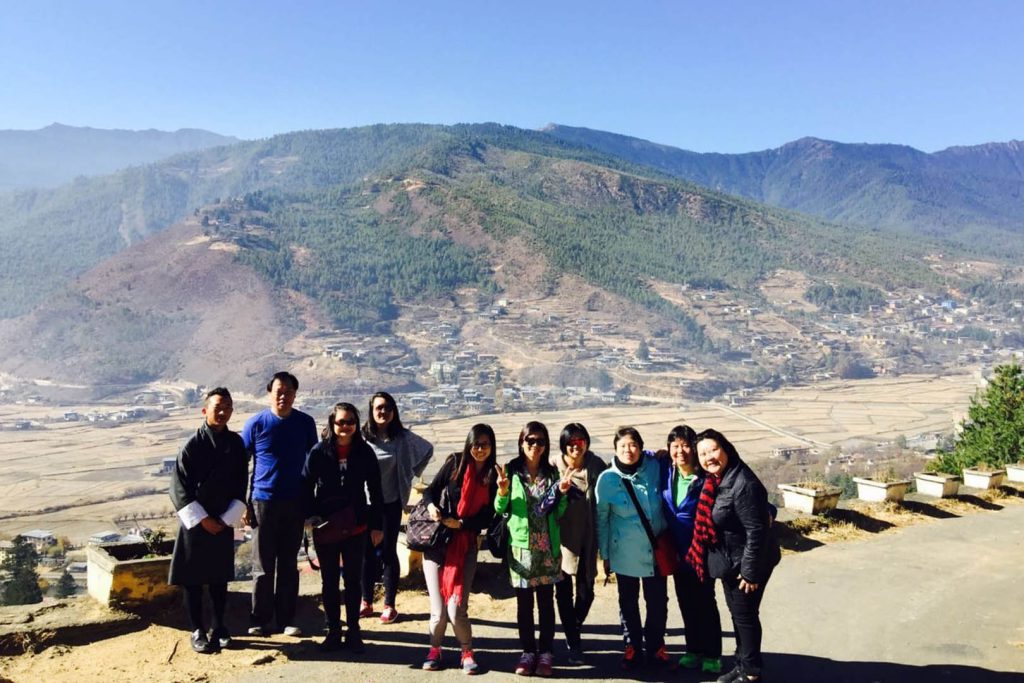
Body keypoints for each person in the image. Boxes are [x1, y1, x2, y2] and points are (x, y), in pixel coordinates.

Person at [686, 429, 780, 683]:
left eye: (713, 450)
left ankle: (750, 672)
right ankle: (741, 664)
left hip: (746, 562)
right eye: (703, 454)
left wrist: (750, 572)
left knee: (745, 615)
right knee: (739, 614)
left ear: (726, 448)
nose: (709, 457)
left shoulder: (742, 483)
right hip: (730, 560)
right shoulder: (717, 479)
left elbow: (756, 531)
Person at [168, 387, 249, 654]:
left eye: (228, 407)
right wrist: (204, 520)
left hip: (222, 521)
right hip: (196, 522)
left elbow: (241, 484)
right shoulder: (192, 446)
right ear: (205, 411)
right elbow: (179, 488)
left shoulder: (236, 445)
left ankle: (220, 626)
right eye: (218, 407)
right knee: (193, 579)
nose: (223, 412)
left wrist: (226, 519)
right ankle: (197, 629)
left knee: (218, 578)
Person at [302, 402, 384, 654]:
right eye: (340, 422)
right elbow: (305, 485)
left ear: (357, 425)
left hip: (356, 524)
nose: (345, 426)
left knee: (353, 580)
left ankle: (354, 632)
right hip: (326, 525)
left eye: (350, 422)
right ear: (332, 423)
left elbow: (375, 489)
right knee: (328, 581)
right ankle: (333, 631)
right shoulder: (318, 452)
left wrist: (376, 524)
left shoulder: (364, 452)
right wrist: (310, 515)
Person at [241, 371, 318, 637]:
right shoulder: (256, 424)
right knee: (262, 566)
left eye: (288, 391)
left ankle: (286, 619)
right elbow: (241, 465)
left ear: (296, 394)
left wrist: (311, 505)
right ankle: (260, 620)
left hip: (295, 502)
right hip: (263, 501)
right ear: (269, 393)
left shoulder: (305, 423)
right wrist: (243, 504)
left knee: (287, 564)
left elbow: (313, 466)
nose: (283, 396)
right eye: (278, 391)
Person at [419, 424, 499, 674]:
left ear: (492, 447)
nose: (480, 449)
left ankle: (467, 651)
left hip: (465, 547)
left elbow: (489, 516)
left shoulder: (493, 476)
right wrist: (432, 507)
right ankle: (435, 650)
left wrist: (462, 523)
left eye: (485, 445)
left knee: (456, 609)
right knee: (439, 610)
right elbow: (430, 491)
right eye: (476, 444)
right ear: (469, 444)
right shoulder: (455, 463)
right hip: (436, 544)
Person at [495, 421, 571, 677]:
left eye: (540, 441)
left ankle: (546, 652)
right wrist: (503, 491)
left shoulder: (552, 474)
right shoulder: (512, 473)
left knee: (546, 604)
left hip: (547, 548)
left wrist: (561, 493)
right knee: (524, 605)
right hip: (521, 549)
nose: (535, 446)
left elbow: (559, 512)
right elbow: (499, 508)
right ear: (521, 442)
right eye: (530, 440)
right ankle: (528, 652)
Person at [595, 426, 669, 670]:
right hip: (623, 551)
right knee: (628, 601)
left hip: (655, 549)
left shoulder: (655, 467)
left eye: (633, 445)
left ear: (641, 446)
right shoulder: (607, 480)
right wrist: (605, 555)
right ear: (615, 450)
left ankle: (656, 646)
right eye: (623, 446)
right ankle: (632, 647)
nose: (629, 450)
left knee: (657, 601)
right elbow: (602, 519)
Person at [360, 391, 434, 624]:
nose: (383, 412)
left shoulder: (401, 438)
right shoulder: (362, 438)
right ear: (371, 411)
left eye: (388, 408)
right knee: (366, 553)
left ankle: (389, 605)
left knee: (389, 552)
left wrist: (410, 473)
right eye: (379, 408)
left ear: (394, 412)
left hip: (390, 502)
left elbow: (427, 449)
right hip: (365, 503)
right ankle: (365, 601)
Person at [659, 425, 723, 675]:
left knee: (706, 602)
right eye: (675, 446)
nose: (681, 451)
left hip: (702, 552)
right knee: (685, 602)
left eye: (686, 445)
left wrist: (768, 514)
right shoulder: (666, 472)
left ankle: (712, 653)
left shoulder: (707, 477)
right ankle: (693, 649)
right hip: (676, 552)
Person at [551, 422, 607, 664]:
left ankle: (573, 625)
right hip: (561, 540)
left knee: (586, 592)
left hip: (588, 539)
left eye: (580, 441)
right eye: (571, 442)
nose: (576, 446)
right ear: (564, 444)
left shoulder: (596, 465)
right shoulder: (553, 466)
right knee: (563, 592)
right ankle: (574, 641)